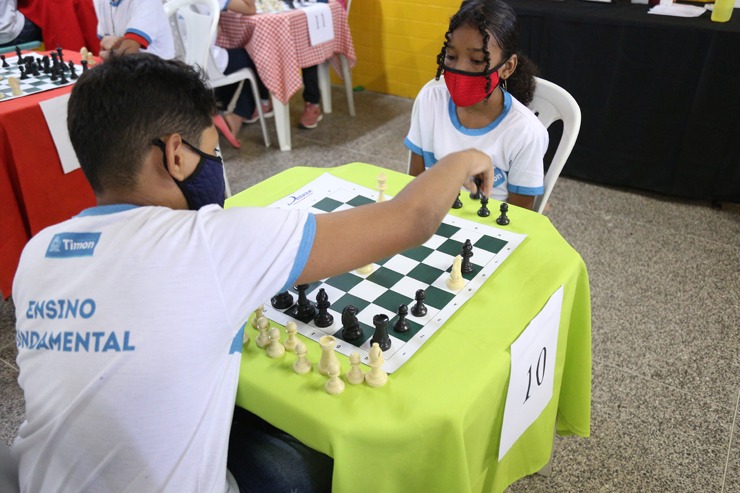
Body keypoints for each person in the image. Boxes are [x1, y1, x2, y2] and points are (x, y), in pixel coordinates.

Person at [11, 53, 494, 492]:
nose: (218, 166)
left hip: (36, 480)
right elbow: (409, 220)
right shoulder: (210, 243)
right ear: (175, 155)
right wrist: (463, 158)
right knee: (344, 461)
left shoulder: (35, 254)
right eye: (211, 152)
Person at [404, 0, 547, 210]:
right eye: (451, 56)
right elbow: (413, 182)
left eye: (477, 60)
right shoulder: (430, 99)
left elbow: (520, 217)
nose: (459, 68)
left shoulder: (525, 131)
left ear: (507, 67)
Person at [210, 0, 273, 148]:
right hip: (206, 62)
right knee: (255, 56)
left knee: (230, 56)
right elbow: (250, 8)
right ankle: (236, 117)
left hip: (177, 62)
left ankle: (218, 107)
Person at [93, 0, 175, 60]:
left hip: (159, 74)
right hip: (128, 71)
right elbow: (106, 46)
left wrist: (109, 53)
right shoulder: (100, 2)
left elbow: (127, 55)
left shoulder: (147, 2)